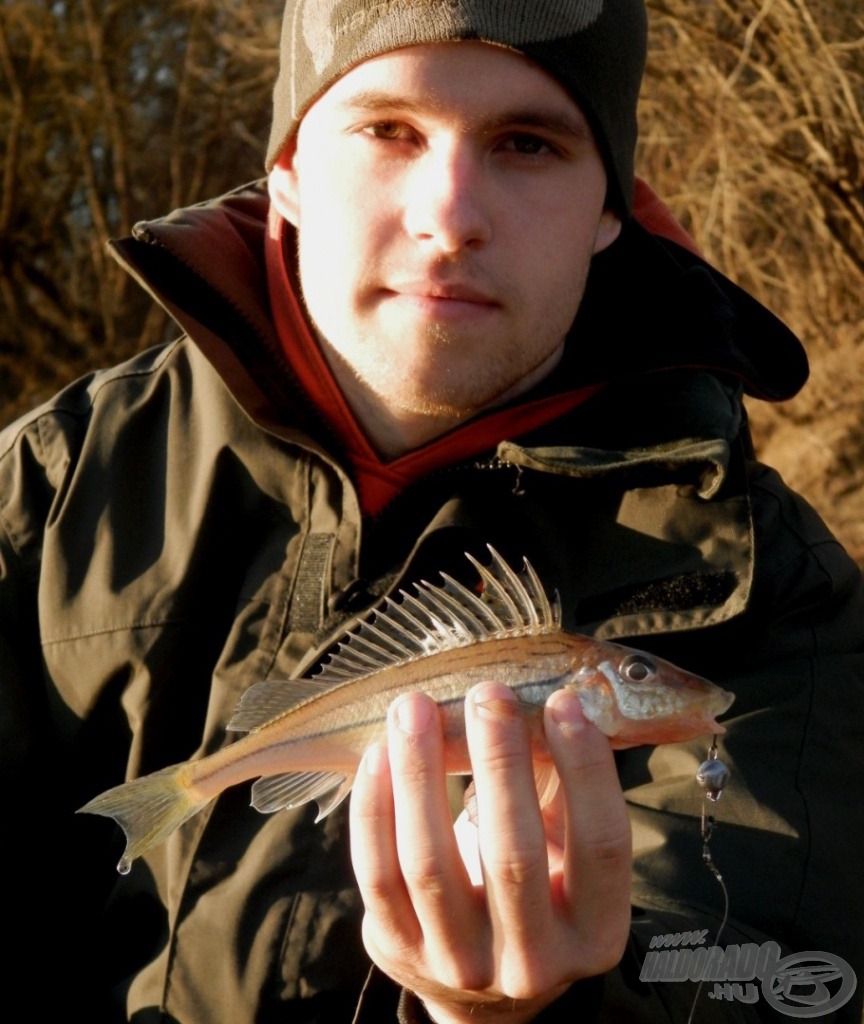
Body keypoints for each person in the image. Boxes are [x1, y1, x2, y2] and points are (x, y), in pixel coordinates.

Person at [2, 1, 862, 1022]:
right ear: (284, 168)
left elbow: (771, 985)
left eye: (528, 142)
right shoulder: (45, 491)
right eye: (387, 130)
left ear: (610, 206)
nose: (450, 215)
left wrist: (547, 1014)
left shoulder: (779, 602)